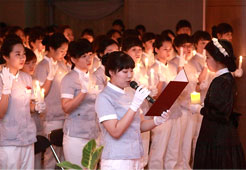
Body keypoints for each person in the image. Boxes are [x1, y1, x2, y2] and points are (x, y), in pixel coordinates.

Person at [95, 51, 169, 170]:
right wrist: (134, 106)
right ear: (111, 72)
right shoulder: (104, 97)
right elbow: (115, 131)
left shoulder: (129, 93)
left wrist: (156, 121)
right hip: (117, 159)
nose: (130, 75)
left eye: (131, 71)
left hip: (136, 156)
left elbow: (139, 126)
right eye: (125, 72)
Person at [193, 38, 246, 169]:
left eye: (208, 57)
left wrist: (198, 109)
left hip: (218, 137)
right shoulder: (223, 78)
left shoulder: (222, 81)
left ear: (218, 59)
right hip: (216, 134)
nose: (206, 61)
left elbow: (221, 113)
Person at [0, 34, 45, 169]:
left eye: (23, 54)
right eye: (17, 54)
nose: (22, 58)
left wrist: (36, 107)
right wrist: (6, 90)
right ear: (6, 57)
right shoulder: (1, 79)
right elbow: (1, 113)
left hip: (27, 136)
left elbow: (26, 105)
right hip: (9, 139)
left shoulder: (26, 78)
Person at [61, 39, 100, 165]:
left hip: (93, 132)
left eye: (90, 55)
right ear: (73, 59)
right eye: (84, 56)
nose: (89, 59)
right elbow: (66, 107)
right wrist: (83, 92)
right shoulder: (69, 79)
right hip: (76, 135)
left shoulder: (93, 77)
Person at [34, 33, 69, 169]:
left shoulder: (61, 64)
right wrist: (50, 76)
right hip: (50, 116)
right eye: (61, 51)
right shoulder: (42, 66)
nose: (64, 55)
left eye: (66, 52)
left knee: (62, 155)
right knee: (51, 155)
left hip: (64, 113)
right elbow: (41, 93)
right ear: (52, 49)